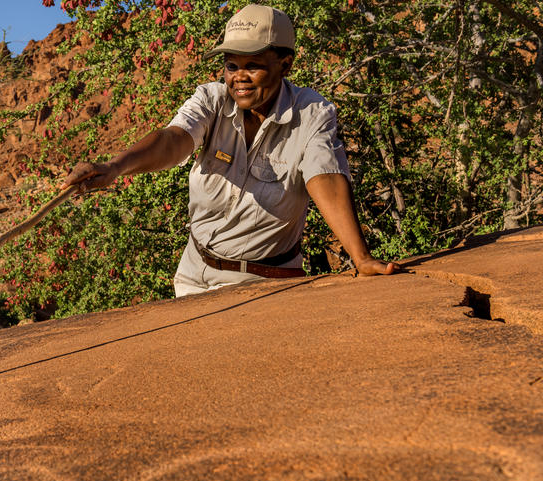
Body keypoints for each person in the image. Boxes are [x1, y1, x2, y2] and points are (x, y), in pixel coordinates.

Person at [62, 4, 398, 297]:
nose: (239, 78)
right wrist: (115, 167)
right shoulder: (211, 99)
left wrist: (360, 258)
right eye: (231, 66)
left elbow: (324, 176)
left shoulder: (311, 113)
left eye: (253, 65)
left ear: (285, 65)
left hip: (265, 283)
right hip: (193, 277)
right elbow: (173, 139)